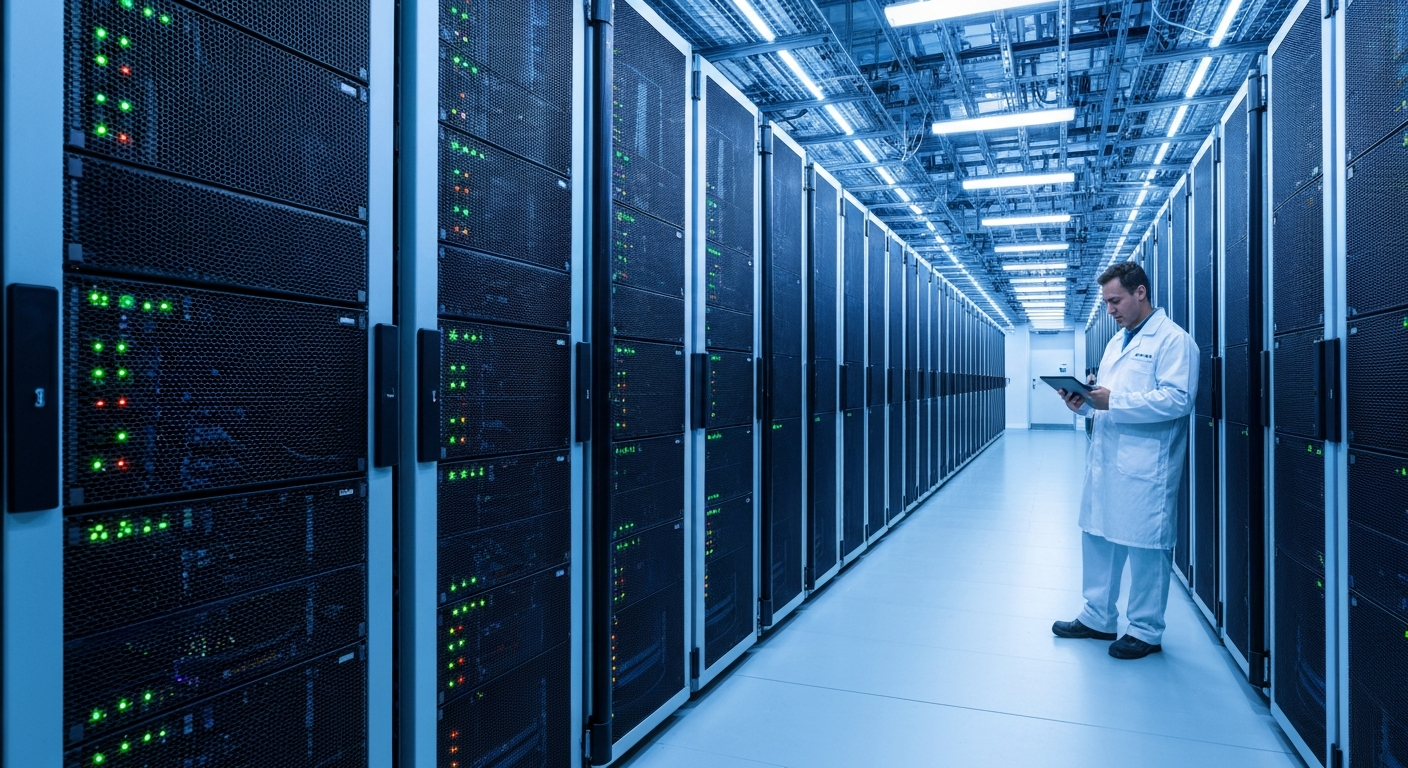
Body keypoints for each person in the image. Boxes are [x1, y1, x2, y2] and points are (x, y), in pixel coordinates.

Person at [1051, 261, 1198, 659]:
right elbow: (1104, 401)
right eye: (1107, 302)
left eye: (1115, 301)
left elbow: (1178, 400)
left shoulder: (1173, 340)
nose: (1110, 309)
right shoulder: (1117, 341)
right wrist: (1082, 403)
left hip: (1146, 465)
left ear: (1140, 292)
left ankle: (1146, 630)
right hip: (1106, 457)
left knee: (1146, 546)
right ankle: (1097, 617)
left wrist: (1113, 400)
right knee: (1097, 535)